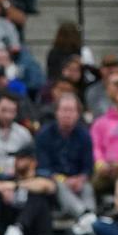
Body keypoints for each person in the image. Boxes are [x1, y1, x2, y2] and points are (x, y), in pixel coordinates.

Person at [34, 91, 96, 228]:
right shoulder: (44, 134)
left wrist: (81, 178)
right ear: (56, 112)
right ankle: (85, 216)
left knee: (87, 187)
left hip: (77, 179)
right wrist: (63, 179)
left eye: (71, 110)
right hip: (54, 180)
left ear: (78, 114)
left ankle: (90, 216)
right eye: (64, 110)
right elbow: (42, 167)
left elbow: (88, 167)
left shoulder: (84, 135)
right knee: (60, 185)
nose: (67, 114)